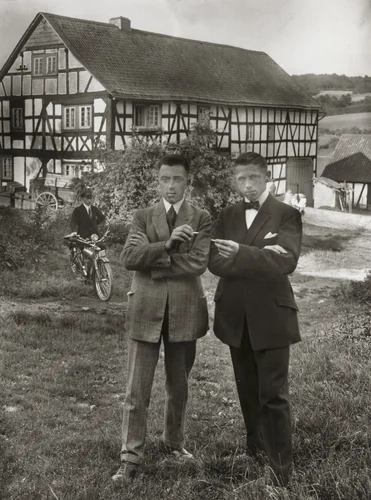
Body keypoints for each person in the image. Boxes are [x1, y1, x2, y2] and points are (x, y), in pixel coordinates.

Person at [112, 153, 212, 483]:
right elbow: (128, 257)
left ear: (188, 182)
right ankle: (130, 457)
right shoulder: (142, 216)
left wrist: (153, 256)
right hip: (145, 311)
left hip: (185, 311)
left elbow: (198, 263)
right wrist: (168, 245)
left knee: (178, 386)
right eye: (165, 179)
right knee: (135, 390)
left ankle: (173, 443)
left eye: (177, 179)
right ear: (158, 181)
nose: (171, 186)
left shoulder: (201, 218)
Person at [208, 152, 302, 488]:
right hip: (236, 316)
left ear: (267, 178)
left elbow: (286, 262)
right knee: (247, 389)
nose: (248, 185)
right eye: (241, 179)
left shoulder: (286, 214)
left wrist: (242, 255)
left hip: (273, 317)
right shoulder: (227, 214)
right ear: (235, 180)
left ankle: (280, 472)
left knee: (273, 395)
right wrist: (261, 255)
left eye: (254, 178)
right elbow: (214, 263)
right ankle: (255, 450)